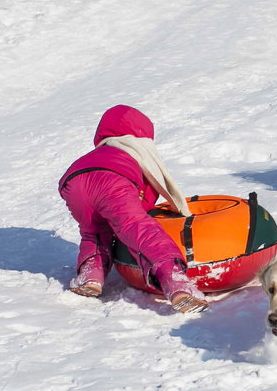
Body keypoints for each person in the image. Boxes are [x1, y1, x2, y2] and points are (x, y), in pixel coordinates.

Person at [58, 104, 208, 312]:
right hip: (112, 177)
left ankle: (90, 276)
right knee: (138, 227)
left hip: (72, 180)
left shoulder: (104, 149)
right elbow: (145, 196)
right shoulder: (137, 148)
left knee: (93, 230)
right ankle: (175, 282)